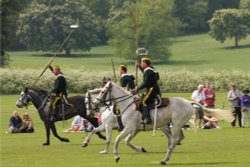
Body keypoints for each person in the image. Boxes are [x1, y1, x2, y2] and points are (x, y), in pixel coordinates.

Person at [136, 57, 161, 124]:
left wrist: (138, 88)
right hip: (154, 89)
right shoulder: (150, 70)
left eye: (141, 62)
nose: (141, 64)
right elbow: (146, 73)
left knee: (143, 101)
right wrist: (139, 66)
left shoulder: (148, 71)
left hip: (151, 90)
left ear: (145, 63)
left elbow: (146, 83)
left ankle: (147, 118)